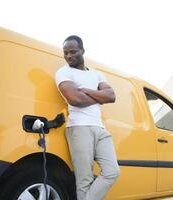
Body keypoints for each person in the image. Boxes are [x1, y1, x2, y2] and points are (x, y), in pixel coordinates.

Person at [55, 35, 120, 200]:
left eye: (73, 51)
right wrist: (99, 96)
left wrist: (87, 91)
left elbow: (111, 96)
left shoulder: (97, 75)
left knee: (112, 171)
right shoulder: (64, 72)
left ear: (82, 50)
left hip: (100, 128)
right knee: (84, 180)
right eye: (65, 52)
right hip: (79, 128)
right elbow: (75, 99)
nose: (69, 56)